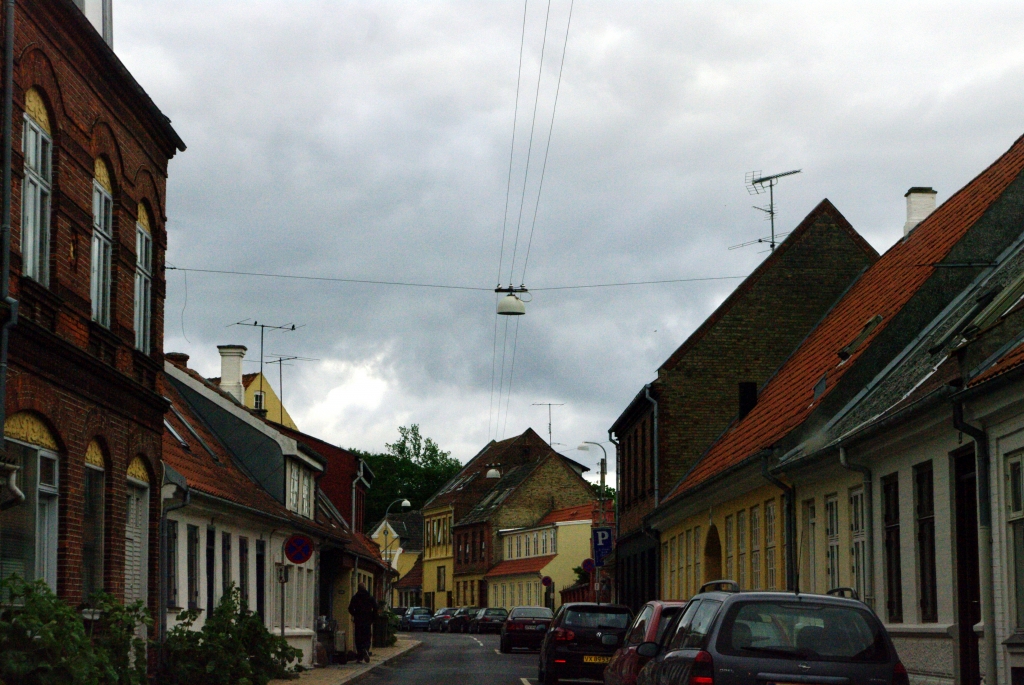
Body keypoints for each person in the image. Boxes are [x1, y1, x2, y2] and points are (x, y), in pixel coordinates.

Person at [348, 582, 378, 663]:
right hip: (367, 621)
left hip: (358, 621)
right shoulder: (370, 597)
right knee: (367, 637)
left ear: (358, 589)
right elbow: (375, 608)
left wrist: (355, 614)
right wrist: (372, 618)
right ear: (365, 588)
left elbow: (350, 608)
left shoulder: (355, 598)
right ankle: (366, 649)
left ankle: (360, 656)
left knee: (358, 639)